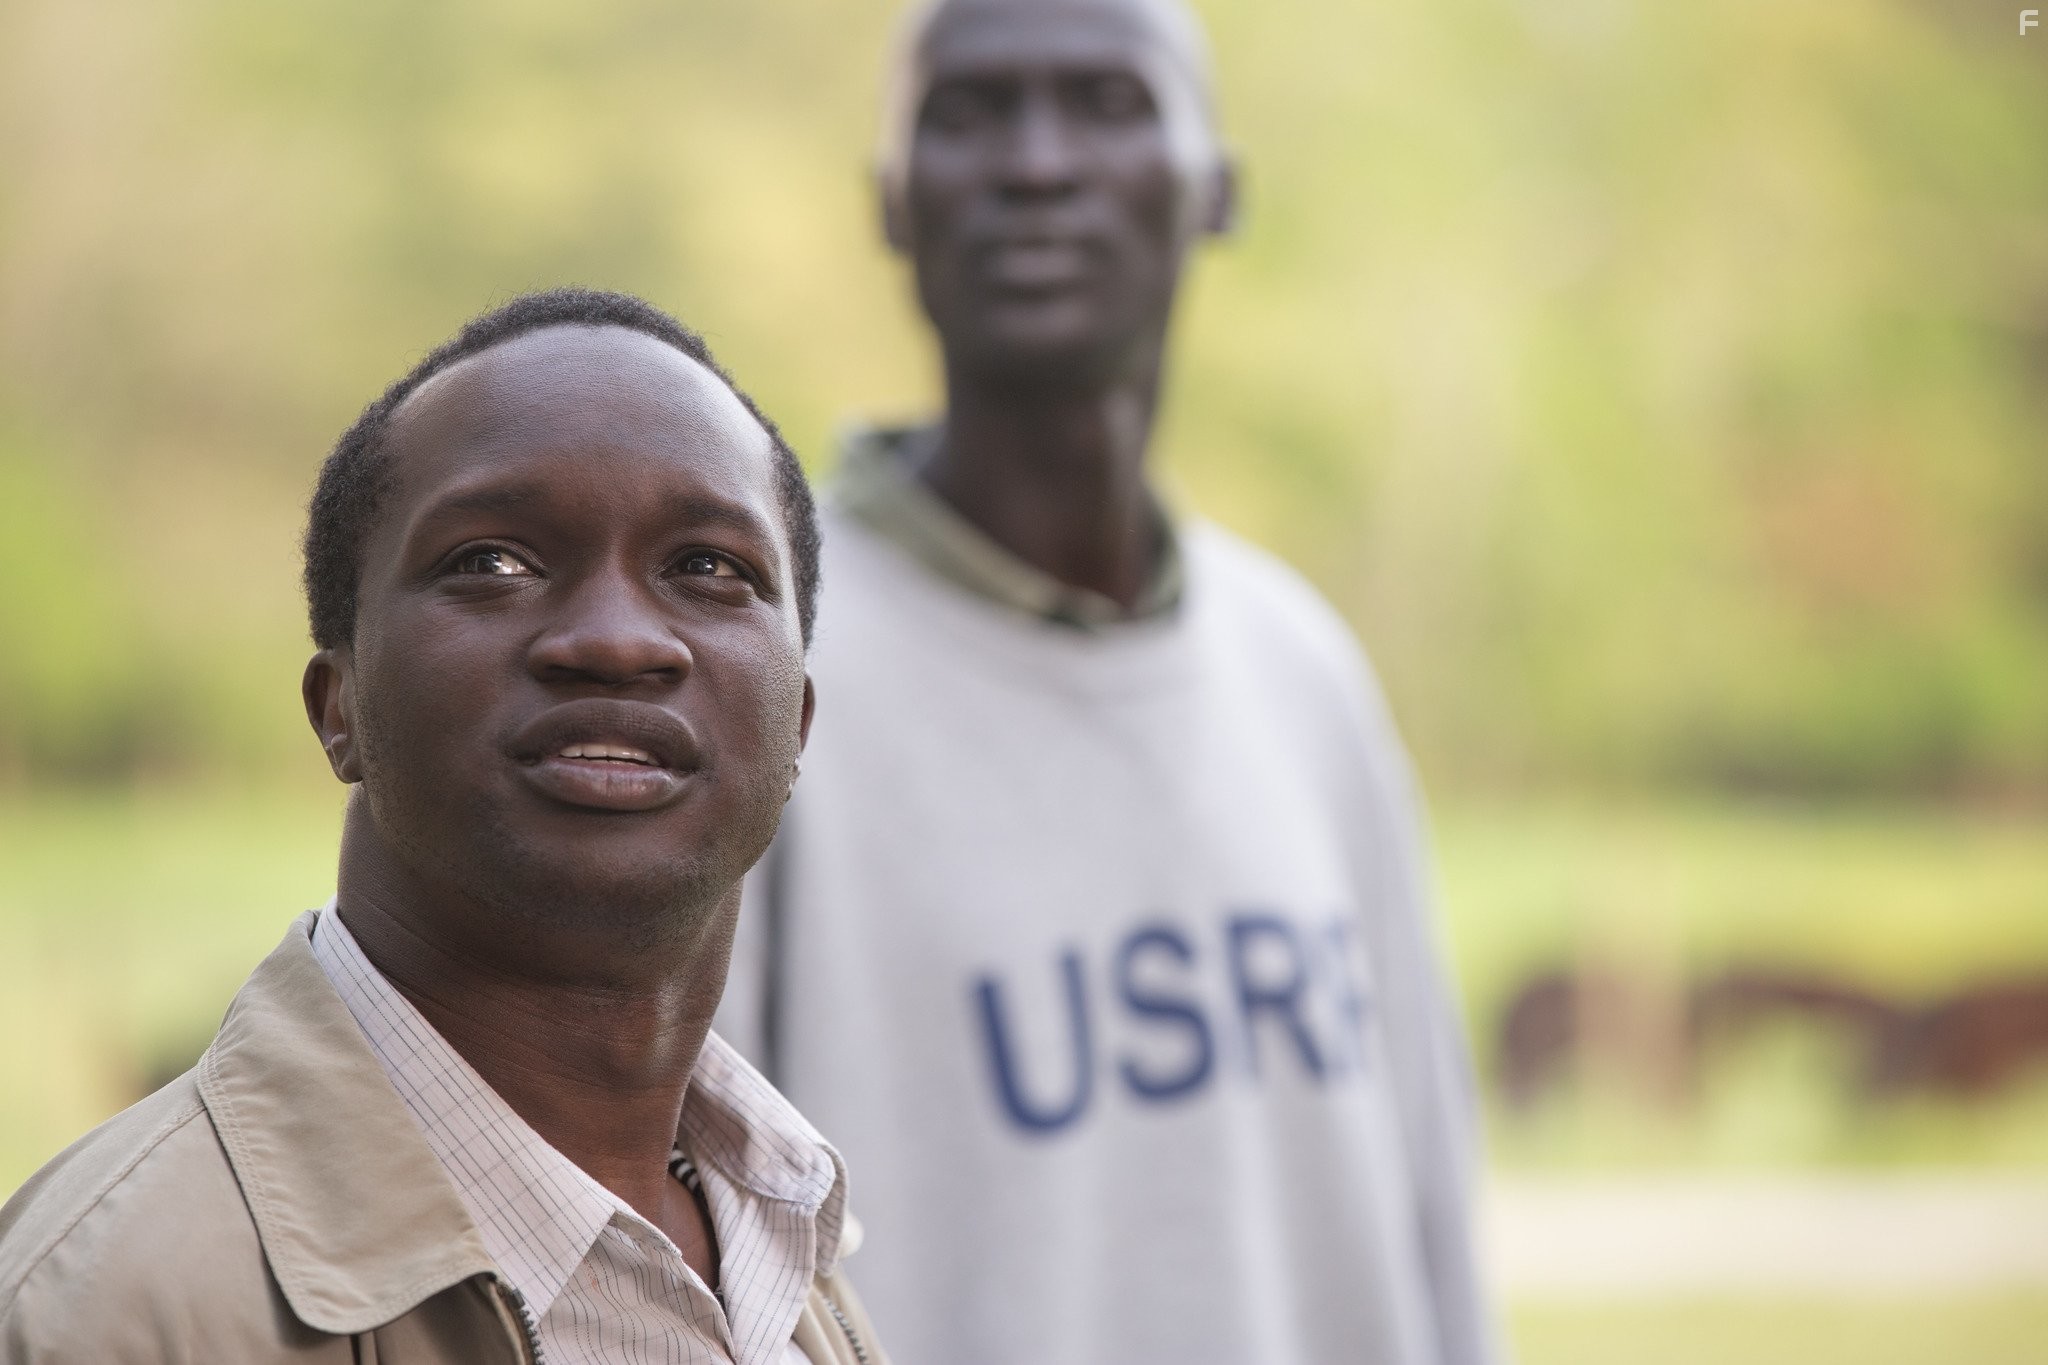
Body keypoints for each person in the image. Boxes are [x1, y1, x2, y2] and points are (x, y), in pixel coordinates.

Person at [711, 2, 1500, 1362]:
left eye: (1108, 102)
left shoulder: (1300, 667)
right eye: (970, 113)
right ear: (890, 199)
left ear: (1217, 189)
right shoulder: (756, 673)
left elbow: (1430, 1213)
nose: (1037, 164)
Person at [0, 289, 889, 1365]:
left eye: (708, 567)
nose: (615, 641)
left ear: (796, 722)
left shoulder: (783, 1248)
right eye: (492, 562)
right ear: (338, 707)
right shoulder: (110, 1313)